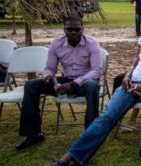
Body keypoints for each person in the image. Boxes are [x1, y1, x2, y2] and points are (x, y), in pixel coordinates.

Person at [44, 20, 141, 166]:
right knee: (105, 117)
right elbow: (134, 64)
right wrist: (126, 77)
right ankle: (67, 158)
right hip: (130, 86)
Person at [17, 16, 102, 151]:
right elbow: (50, 68)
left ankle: (90, 135)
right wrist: (48, 76)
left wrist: (74, 84)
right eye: (69, 29)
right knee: (31, 85)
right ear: (64, 29)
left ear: (82, 29)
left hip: (85, 81)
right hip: (65, 80)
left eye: (77, 29)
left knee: (92, 86)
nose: (73, 32)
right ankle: (34, 134)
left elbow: (97, 71)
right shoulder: (56, 43)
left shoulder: (92, 43)